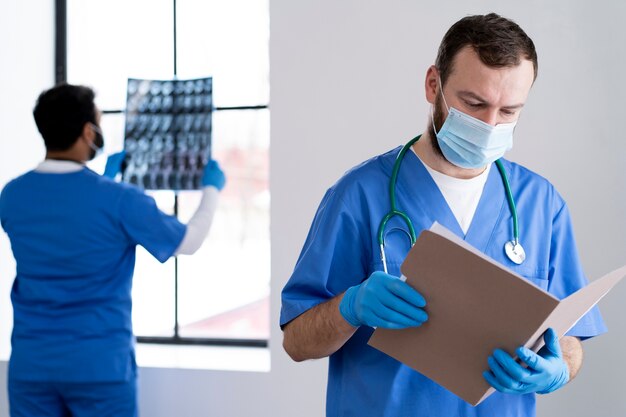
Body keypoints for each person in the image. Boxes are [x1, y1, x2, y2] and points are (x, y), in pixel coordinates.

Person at [280, 13, 606, 417]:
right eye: (474, 104)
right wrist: (350, 307)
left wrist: (558, 369)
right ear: (434, 84)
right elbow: (296, 341)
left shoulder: (541, 203)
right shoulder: (359, 195)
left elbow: (571, 339)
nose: (490, 124)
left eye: (509, 111)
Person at [0, 83, 226, 417]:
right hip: (98, 368)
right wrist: (212, 189)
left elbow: (63, 223)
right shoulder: (119, 200)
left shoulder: (12, 195)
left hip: (32, 367)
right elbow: (188, 241)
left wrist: (105, 181)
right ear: (88, 132)